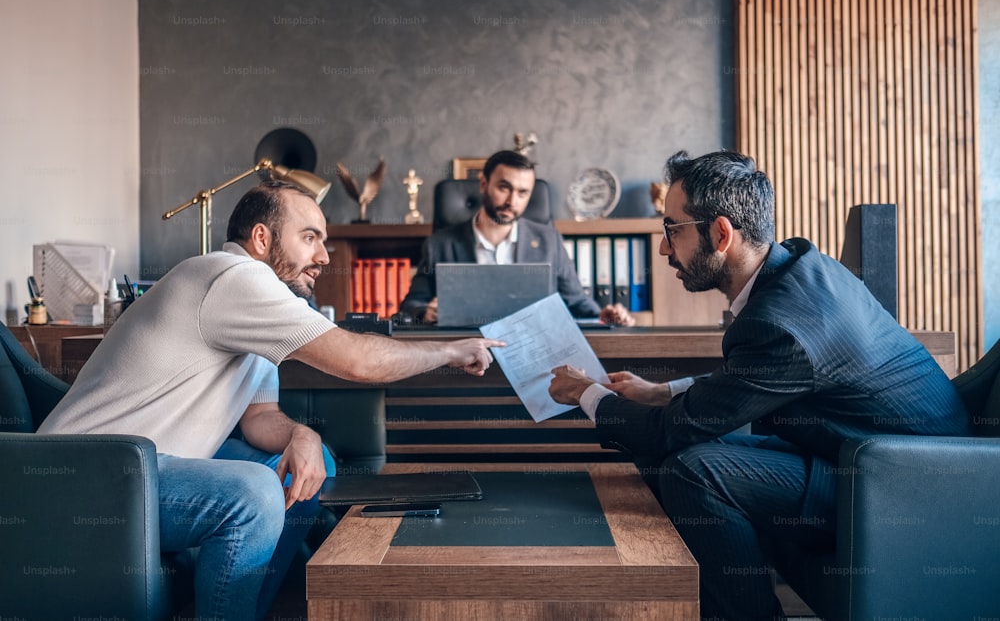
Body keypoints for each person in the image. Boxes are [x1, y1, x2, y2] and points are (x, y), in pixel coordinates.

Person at [37, 181, 501, 621]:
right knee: (254, 495)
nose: (323, 256)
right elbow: (358, 360)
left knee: (310, 461)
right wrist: (452, 349)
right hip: (87, 474)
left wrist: (301, 434)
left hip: (149, 463)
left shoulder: (261, 300)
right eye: (310, 238)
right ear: (262, 237)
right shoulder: (231, 277)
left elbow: (260, 418)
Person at [548, 150, 969, 621]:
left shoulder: (780, 325)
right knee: (700, 446)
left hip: (909, 488)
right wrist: (662, 392)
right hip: (881, 460)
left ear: (721, 233)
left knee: (695, 467)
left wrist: (585, 392)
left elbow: (670, 431)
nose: (664, 249)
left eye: (672, 229)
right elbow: (753, 384)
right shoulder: (803, 265)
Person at [399, 149, 634, 325]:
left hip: (533, 349)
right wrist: (424, 313)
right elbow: (409, 307)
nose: (512, 201)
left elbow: (577, 303)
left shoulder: (549, 241)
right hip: (466, 352)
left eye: (523, 192)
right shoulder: (440, 245)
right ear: (483, 184)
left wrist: (604, 315)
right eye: (504, 187)